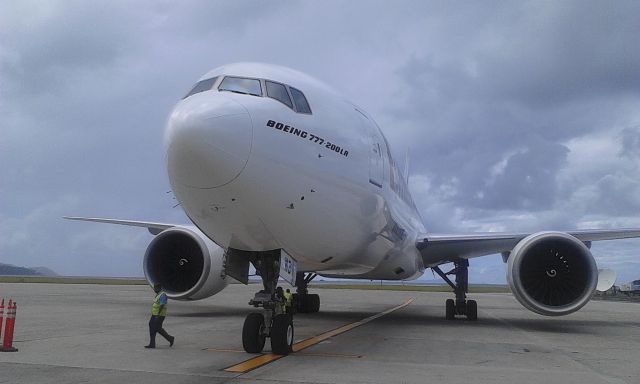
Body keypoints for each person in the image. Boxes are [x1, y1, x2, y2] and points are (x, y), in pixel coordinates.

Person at [145, 283, 175, 349]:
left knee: (156, 328)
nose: (155, 289)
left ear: (160, 288)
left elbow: (162, 305)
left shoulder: (162, 295)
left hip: (159, 315)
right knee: (153, 327)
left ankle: (170, 338)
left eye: (156, 288)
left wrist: (158, 315)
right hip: (155, 314)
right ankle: (153, 343)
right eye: (154, 288)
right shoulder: (158, 294)